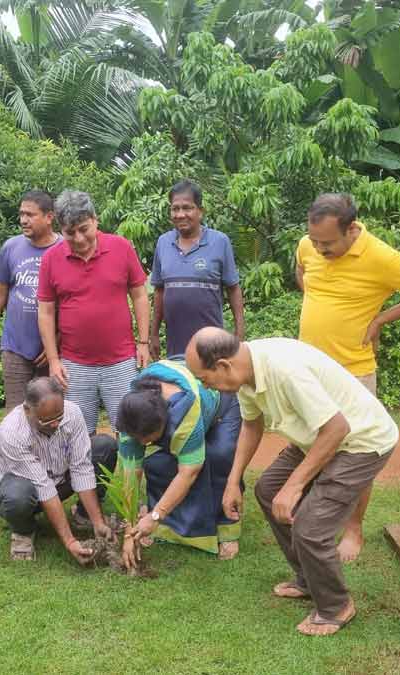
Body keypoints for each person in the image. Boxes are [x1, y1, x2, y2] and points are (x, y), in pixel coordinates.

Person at [186, 327, 398, 636]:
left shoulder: (284, 371)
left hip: (360, 442)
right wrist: (233, 481)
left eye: (206, 380)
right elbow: (251, 425)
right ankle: (310, 579)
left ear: (223, 366)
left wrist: (295, 486)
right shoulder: (244, 374)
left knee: (310, 527)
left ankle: (336, 606)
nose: (209, 387)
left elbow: (337, 429)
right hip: (317, 437)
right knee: (268, 490)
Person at [295, 193, 400, 562]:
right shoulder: (308, 245)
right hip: (308, 369)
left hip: (353, 372)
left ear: (351, 230)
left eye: (327, 243)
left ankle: (353, 528)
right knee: (311, 446)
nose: (318, 248)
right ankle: (314, 518)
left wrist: (380, 319)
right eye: (314, 241)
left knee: (358, 454)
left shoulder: (380, 256)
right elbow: (303, 271)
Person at [37, 190, 150, 435]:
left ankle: (127, 476)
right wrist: (54, 360)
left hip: (121, 362)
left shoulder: (121, 247)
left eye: (84, 229)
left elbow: (140, 295)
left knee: (129, 433)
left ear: (95, 220)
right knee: (77, 435)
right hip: (74, 365)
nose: (78, 238)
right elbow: (45, 312)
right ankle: (84, 476)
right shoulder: (51, 259)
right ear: (61, 229)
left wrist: (143, 342)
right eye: (69, 232)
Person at [116, 359, 242, 569]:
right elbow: (131, 473)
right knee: (159, 462)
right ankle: (162, 527)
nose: (143, 444)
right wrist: (129, 530)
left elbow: (189, 472)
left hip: (222, 405)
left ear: (164, 420)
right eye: (138, 439)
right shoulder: (130, 413)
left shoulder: (184, 407)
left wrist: (156, 514)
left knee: (219, 456)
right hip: (177, 409)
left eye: (147, 438)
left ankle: (227, 527)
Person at [0, 377, 117, 562]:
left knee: (104, 447)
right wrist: (69, 541)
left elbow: (81, 468)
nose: (55, 424)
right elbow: (43, 486)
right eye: (47, 420)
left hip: (60, 481)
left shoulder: (73, 413)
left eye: (59, 417)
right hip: (27, 489)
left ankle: (84, 516)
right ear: (28, 410)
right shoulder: (11, 432)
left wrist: (98, 521)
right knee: (17, 497)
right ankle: (24, 531)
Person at [0, 190, 61, 411]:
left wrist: (56, 341)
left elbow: (73, 302)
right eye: (21, 214)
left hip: (53, 352)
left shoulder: (64, 249)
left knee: (50, 414)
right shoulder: (11, 247)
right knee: (16, 415)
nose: (23, 220)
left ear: (49, 217)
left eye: (30, 215)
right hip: (15, 347)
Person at [150, 180, 244, 359]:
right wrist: (153, 334)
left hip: (212, 345)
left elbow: (233, 288)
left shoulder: (219, 242)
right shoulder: (163, 242)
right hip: (175, 347)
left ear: (200, 211)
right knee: (180, 386)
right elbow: (159, 291)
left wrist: (239, 332)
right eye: (175, 208)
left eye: (187, 208)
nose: (180, 214)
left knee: (212, 385)